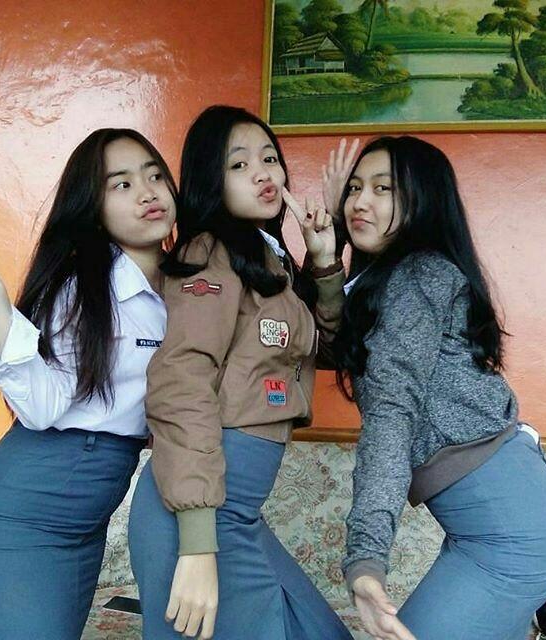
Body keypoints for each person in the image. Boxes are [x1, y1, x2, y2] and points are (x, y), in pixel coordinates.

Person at [331, 135, 546, 640]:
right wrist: (328, 247)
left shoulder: (419, 277)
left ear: (424, 200)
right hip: (508, 521)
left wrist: (366, 558)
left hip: (513, 534)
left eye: (383, 189)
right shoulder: (395, 282)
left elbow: (390, 416)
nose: (359, 201)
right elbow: (318, 345)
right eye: (354, 188)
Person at [128, 105, 353, 640]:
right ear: (211, 178)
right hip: (198, 515)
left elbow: (331, 350)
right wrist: (197, 546)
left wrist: (324, 261)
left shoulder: (266, 260)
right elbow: (181, 381)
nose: (262, 173)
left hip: (235, 510)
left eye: (269, 159)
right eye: (238, 164)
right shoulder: (209, 253)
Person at [0, 128, 177, 639]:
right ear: (93, 206)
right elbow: (41, 407)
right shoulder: (83, 289)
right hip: (20, 518)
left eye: (155, 176)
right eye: (121, 184)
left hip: (86, 523)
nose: (147, 192)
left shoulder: (187, 289)